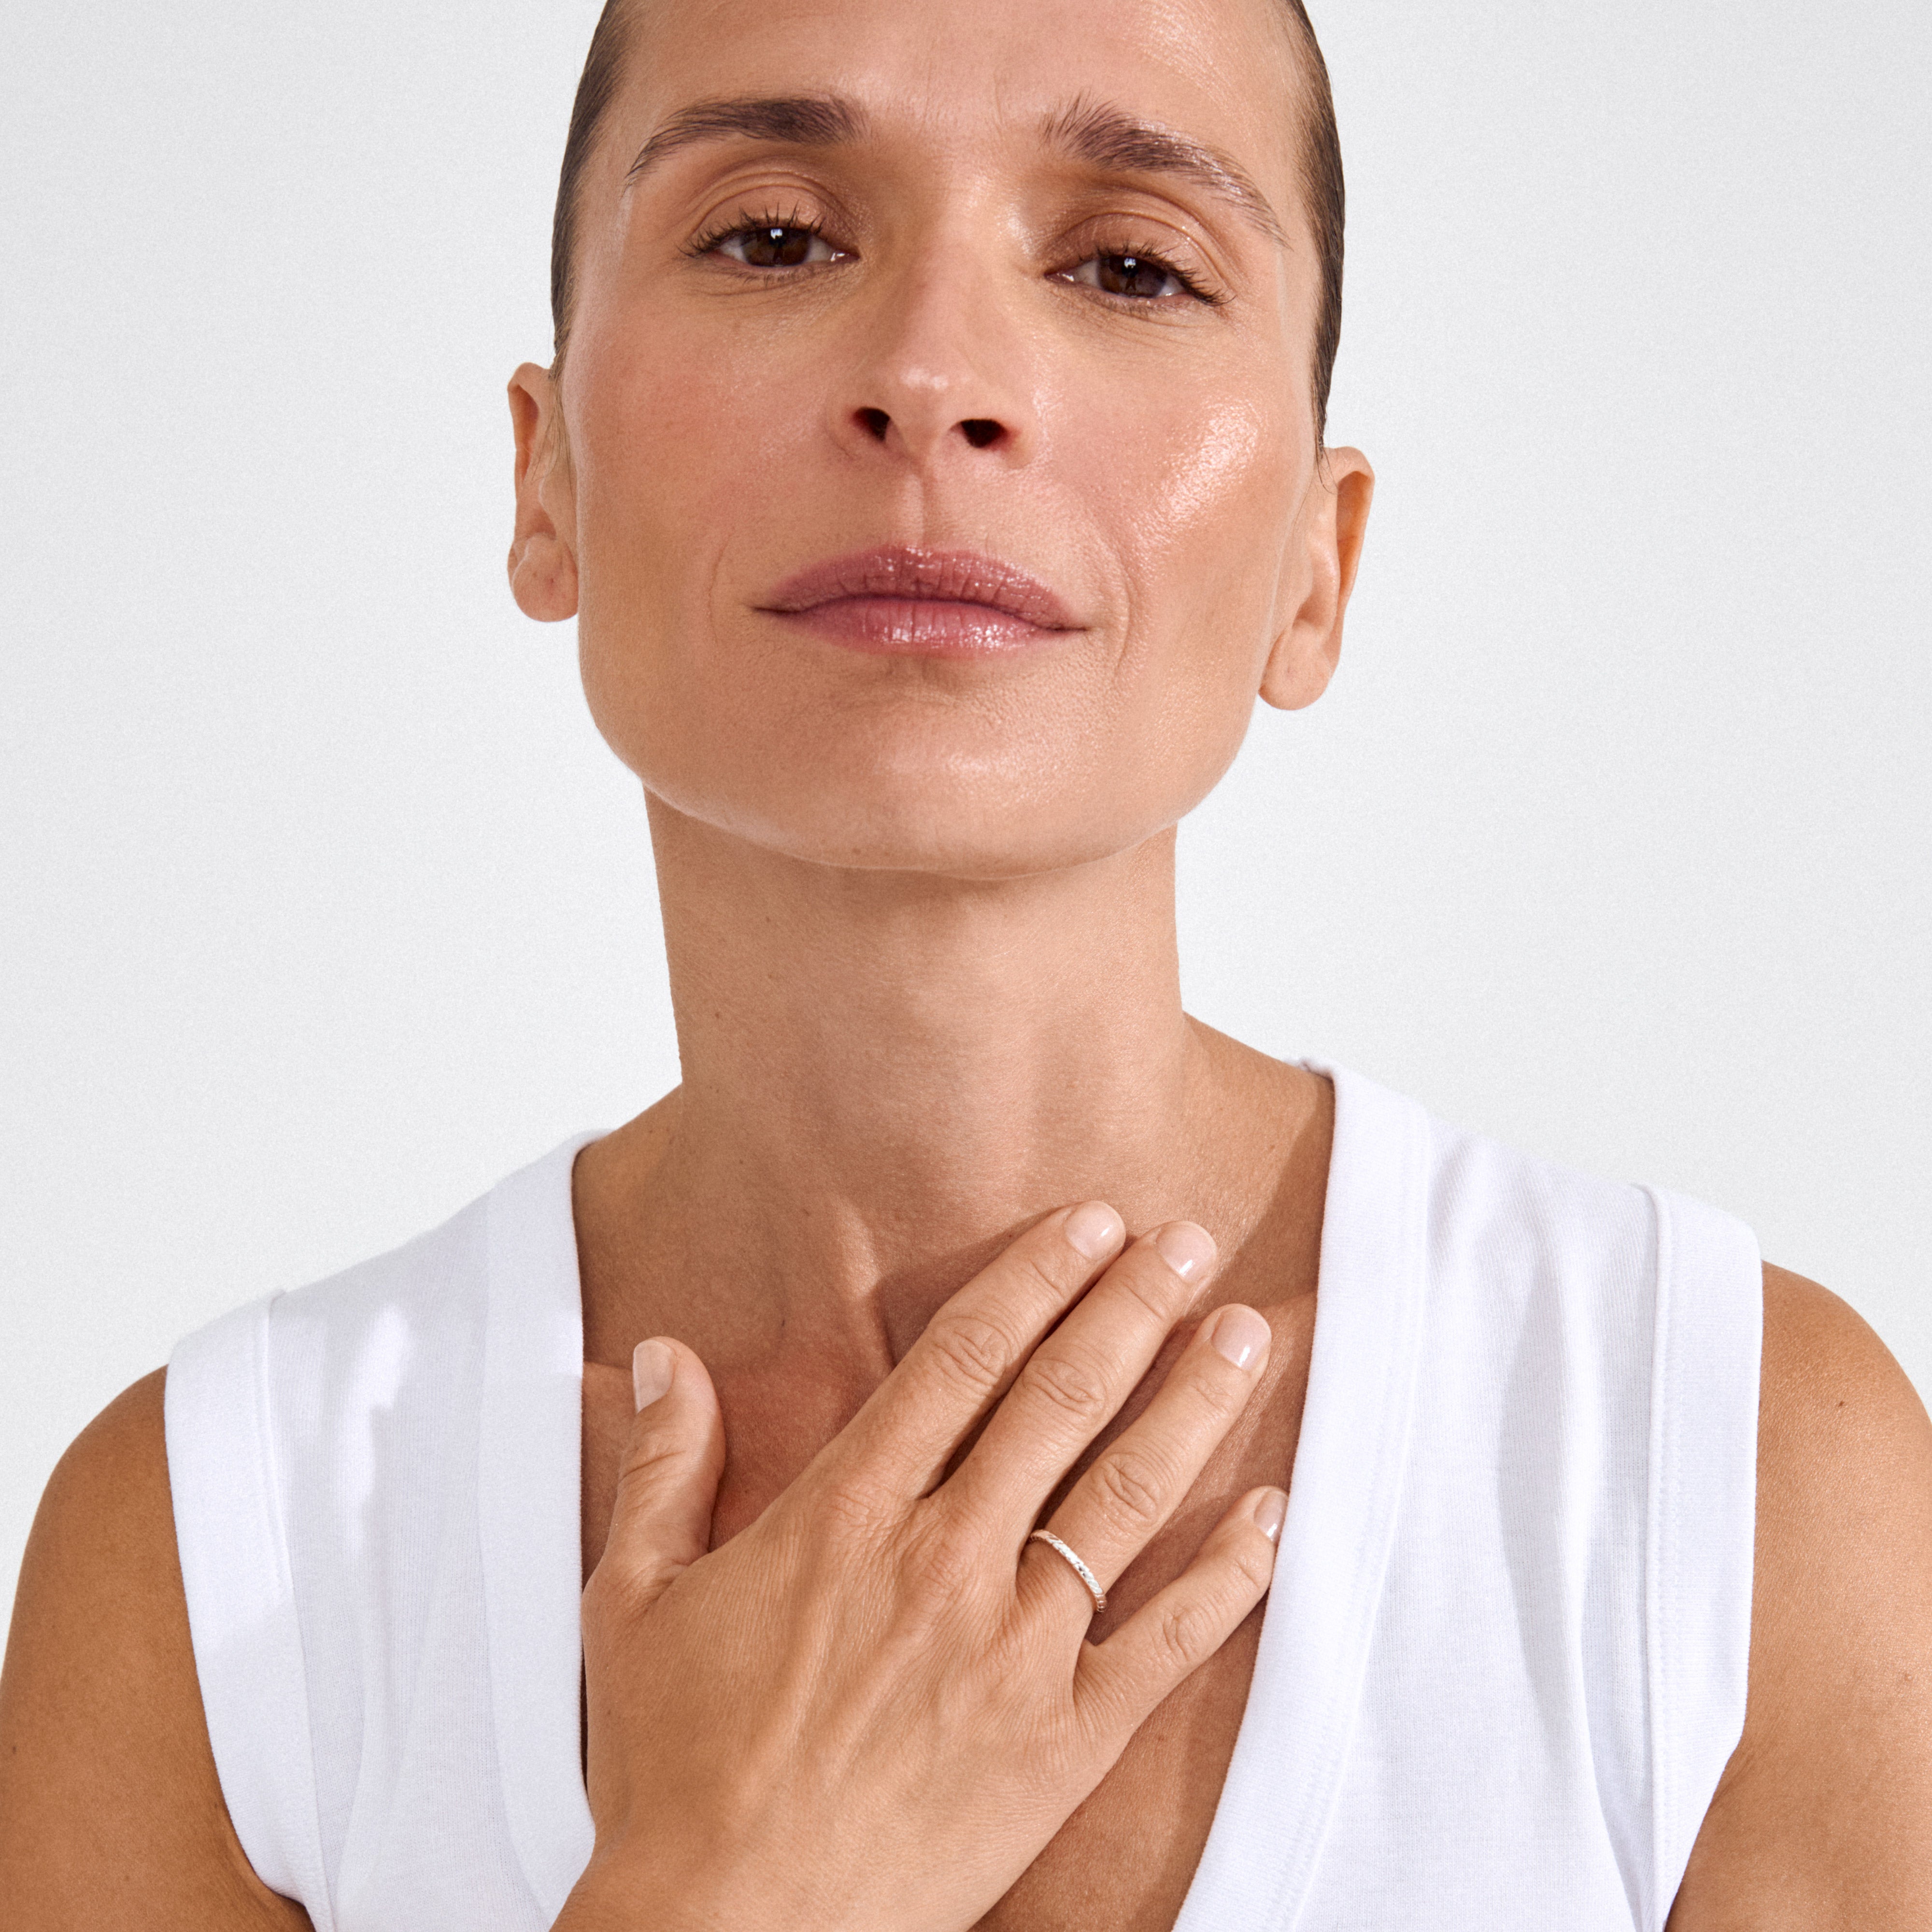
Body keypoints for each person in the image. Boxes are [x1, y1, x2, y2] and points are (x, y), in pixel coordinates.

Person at [3, 0, 1929, 1924]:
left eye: (1127, 262)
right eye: (774, 235)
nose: (933, 378)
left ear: (1315, 567)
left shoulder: (1732, 1483)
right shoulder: (203, 1555)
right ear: (546, 478)